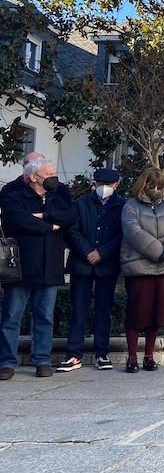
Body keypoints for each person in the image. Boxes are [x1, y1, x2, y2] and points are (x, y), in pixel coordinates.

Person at [0, 158, 77, 380]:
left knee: (45, 316)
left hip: (50, 267)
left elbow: (70, 217)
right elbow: (17, 220)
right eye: (48, 174)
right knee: (12, 316)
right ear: (34, 177)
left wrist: (43, 216)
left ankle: (42, 359)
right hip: (21, 267)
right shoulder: (15, 197)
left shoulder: (57, 197)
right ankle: (6, 362)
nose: (54, 178)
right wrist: (50, 226)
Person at [58, 168, 125, 372]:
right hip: (82, 264)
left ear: (116, 185)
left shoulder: (122, 206)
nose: (104, 188)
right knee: (78, 310)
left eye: (109, 185)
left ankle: (102, 353)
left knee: (103, 310)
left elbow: (123, 234)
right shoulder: (80, 204)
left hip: (107, 265)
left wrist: (102, 253)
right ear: (93, 184)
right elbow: (71, 231)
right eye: (100, 184)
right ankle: (73, 354)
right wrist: (87, 251)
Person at [119, 167, 164, 373]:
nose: (155, 189)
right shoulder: (131, 206)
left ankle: (148, 355)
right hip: (139, 267)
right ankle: (131, 357)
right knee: (137, 313)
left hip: (162, 268)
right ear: (143, 185)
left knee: (157, 314)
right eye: (151, 185)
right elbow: (133, 232)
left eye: (158, 186)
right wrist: (159, 251)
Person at [0, 151, 72, 206]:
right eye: (35, 164)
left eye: (42, 163)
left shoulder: (61, 190)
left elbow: (70, 216)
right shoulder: (10, 190)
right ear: (25, 167)